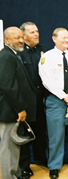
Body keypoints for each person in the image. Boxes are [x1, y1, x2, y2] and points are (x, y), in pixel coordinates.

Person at [39, 28, 68, 179]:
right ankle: (54, 165)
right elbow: (47, 81)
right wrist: (64, 96)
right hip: (56, 100)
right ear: (54, 39)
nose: (67, 40)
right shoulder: (47, 57)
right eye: (63, 38)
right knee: (56, 135)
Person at [0, 27, 36, 179]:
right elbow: (8, 86)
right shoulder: (6, 56)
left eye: (22, 37)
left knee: (15, 148)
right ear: (6, 40)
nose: (21, 40)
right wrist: (20, 109)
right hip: (10, 112)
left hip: (13, 111)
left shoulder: (13, 54)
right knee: (9, 149)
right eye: (16, 38)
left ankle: (17, 174)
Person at [17, 22, 48, 178]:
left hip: (41, 99)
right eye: (32, 32)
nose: (36, 34)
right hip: (26, 100)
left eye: (37, 31)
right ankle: (24, 165)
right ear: (24, 35)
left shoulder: (43, 51)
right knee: (25, 134)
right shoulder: (19, 53)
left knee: (41, 132)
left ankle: (40, 158)